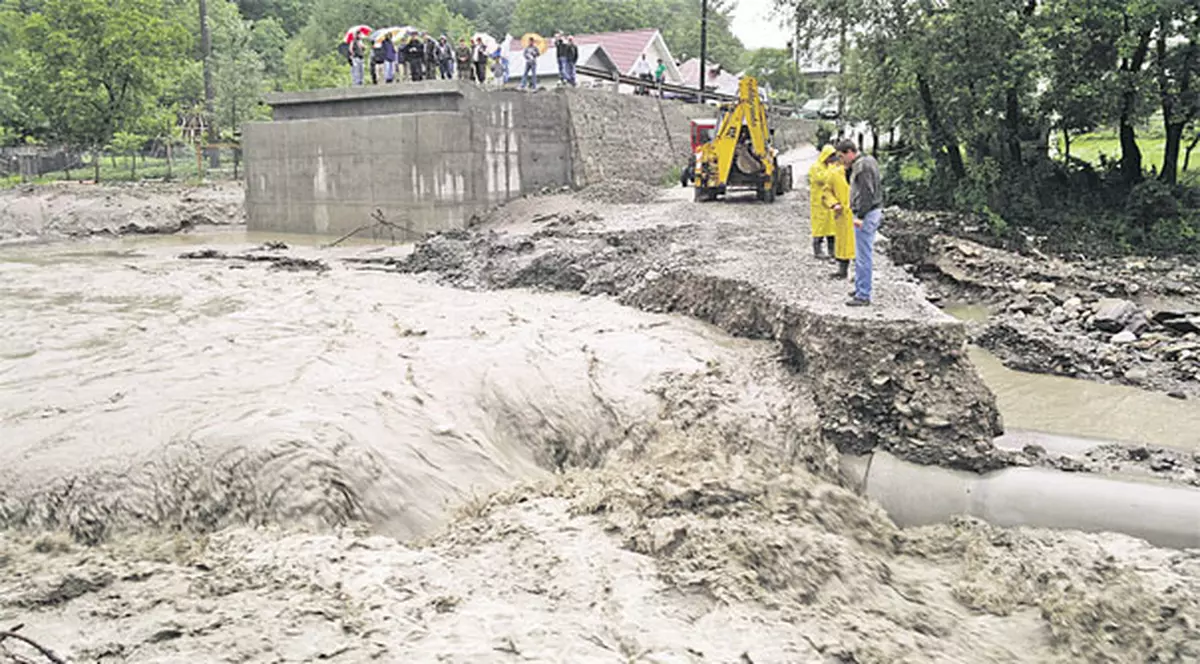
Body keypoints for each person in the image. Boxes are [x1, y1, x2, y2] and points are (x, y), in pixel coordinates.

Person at [837, 139, 883, 307]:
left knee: (863, 255)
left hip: (867, 213)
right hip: (873, 211)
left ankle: (863, 294)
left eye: (842, 157)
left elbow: (866, 193)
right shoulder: (867, 160)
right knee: (862, 253)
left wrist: (861, 216)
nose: (842, 161)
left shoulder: (862, 167)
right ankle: (860, 287)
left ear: (850, 152)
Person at [821, 148, 856, 279]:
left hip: (858, 214)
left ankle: (860, 276)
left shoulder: (860, 173)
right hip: (842, 214)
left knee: (859, 246)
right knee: (842, 244)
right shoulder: (834, 174)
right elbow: (826, 192)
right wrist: (834, 203)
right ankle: (842, 270)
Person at [808, 145, 837, 258]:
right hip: (819, 203)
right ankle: (818, 251)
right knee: (819, 228)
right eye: (830, 156)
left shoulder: (830, 167)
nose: (832, 159)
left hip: (830, 202)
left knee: (832, 228)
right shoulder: (816, 167)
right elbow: (822, 179)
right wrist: (832, 169)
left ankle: (832, 251)